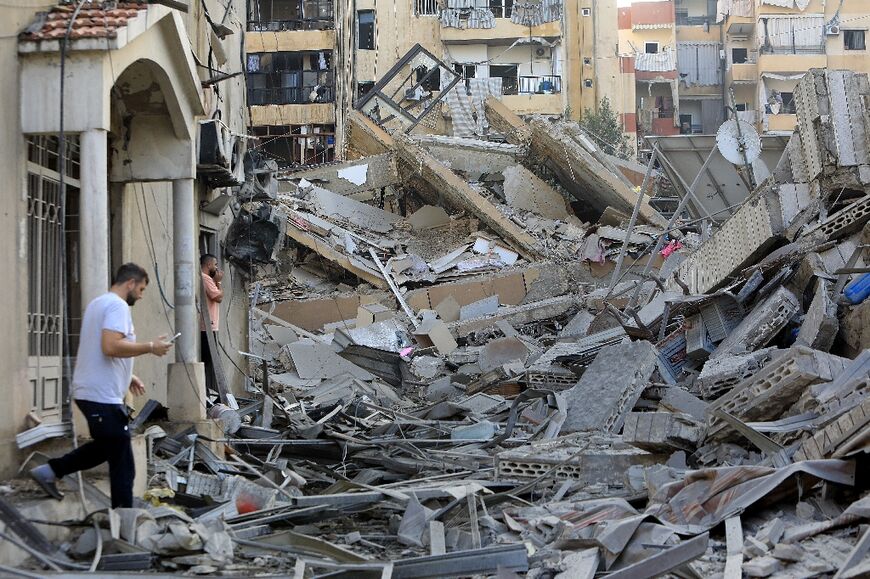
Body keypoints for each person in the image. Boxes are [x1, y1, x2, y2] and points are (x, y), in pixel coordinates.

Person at [30, 263, 173, 508]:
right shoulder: (117, 306)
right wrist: (150, 347)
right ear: (130, 283)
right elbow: (110, 346)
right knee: (123, 464)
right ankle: (123, 522)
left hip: (94, 393)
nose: (140, 295)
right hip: (100, 396)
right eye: (140, 289)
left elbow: (102, 349)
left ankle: (50, 471)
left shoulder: (99, 303)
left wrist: (128, 376)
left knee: (107, 447)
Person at [200, 253, 223, 395]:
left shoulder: (206, 279)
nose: (216, 267)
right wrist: (219, 282)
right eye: (215, 264)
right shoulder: (206, 278)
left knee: (207, 361)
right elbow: (218, 297)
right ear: (209, 265)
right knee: (206, 361)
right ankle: (204, 394)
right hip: (207, 327)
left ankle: (206, 394)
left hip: (208, 326)